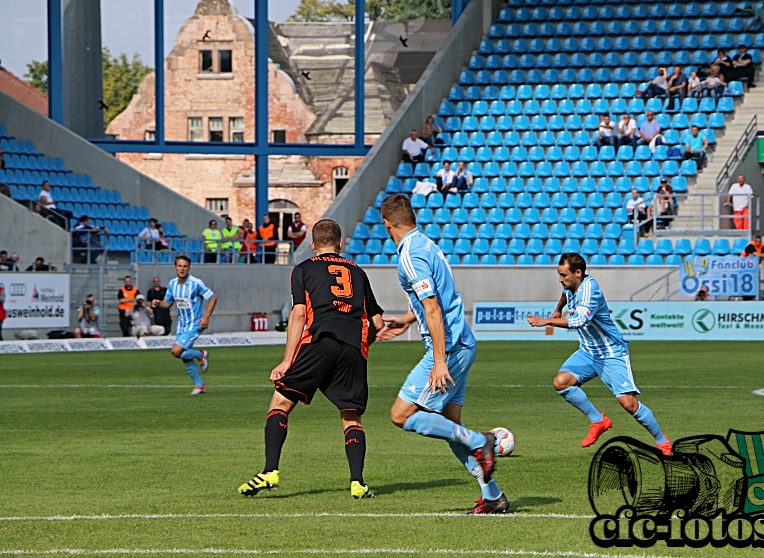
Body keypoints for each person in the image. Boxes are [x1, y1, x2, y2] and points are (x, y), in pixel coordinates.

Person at [376, 194, 505, 514]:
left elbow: (433, 306)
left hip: (450, 348)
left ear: (386, 224)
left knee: (400, 414)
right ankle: (493, 497)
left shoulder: (408, 255)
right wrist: (408, 319)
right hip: (464, 343)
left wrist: (439, 360)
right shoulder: (428, 245)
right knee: (449, 425)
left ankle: (481, 441)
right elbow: (435, 296)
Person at [237, 220, 385, 499]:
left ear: (313, 245)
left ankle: (270, 471)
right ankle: (357, 482)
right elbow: (378, 321)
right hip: (352, 347)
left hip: (320, 341)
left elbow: (299, 314)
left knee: (281, 401)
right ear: (340, 244)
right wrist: (364, 345)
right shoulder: (359, 272)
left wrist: (286, 360)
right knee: (351, 415)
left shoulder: (304, 268)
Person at [526, 253, 672, 455]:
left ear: (578, 273)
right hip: (587, 351)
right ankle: (598, 421)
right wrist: (558, 309)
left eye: (563, 275)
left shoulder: (590, 290)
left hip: (611, 352)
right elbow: (565, 294)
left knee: (628, 404)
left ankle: (662, 441)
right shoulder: (572, 285)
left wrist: (546, 321)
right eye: (559, 275)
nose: (560, 279)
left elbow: (578, 321)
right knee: (561, 382)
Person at [150, 255, 217, 395]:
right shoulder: (172, 284)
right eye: (179, 266)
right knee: (184, 356)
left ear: (189, 268)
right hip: (181, 325)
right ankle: (199, 385)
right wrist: (158, 303)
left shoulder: (196, 283)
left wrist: (206, 317)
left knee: (176, 351)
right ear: (175, 267)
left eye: (185, 266)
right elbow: (167, 303)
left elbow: (213, 297)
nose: (182, 269)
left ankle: (200, 354)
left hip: (195, 324)